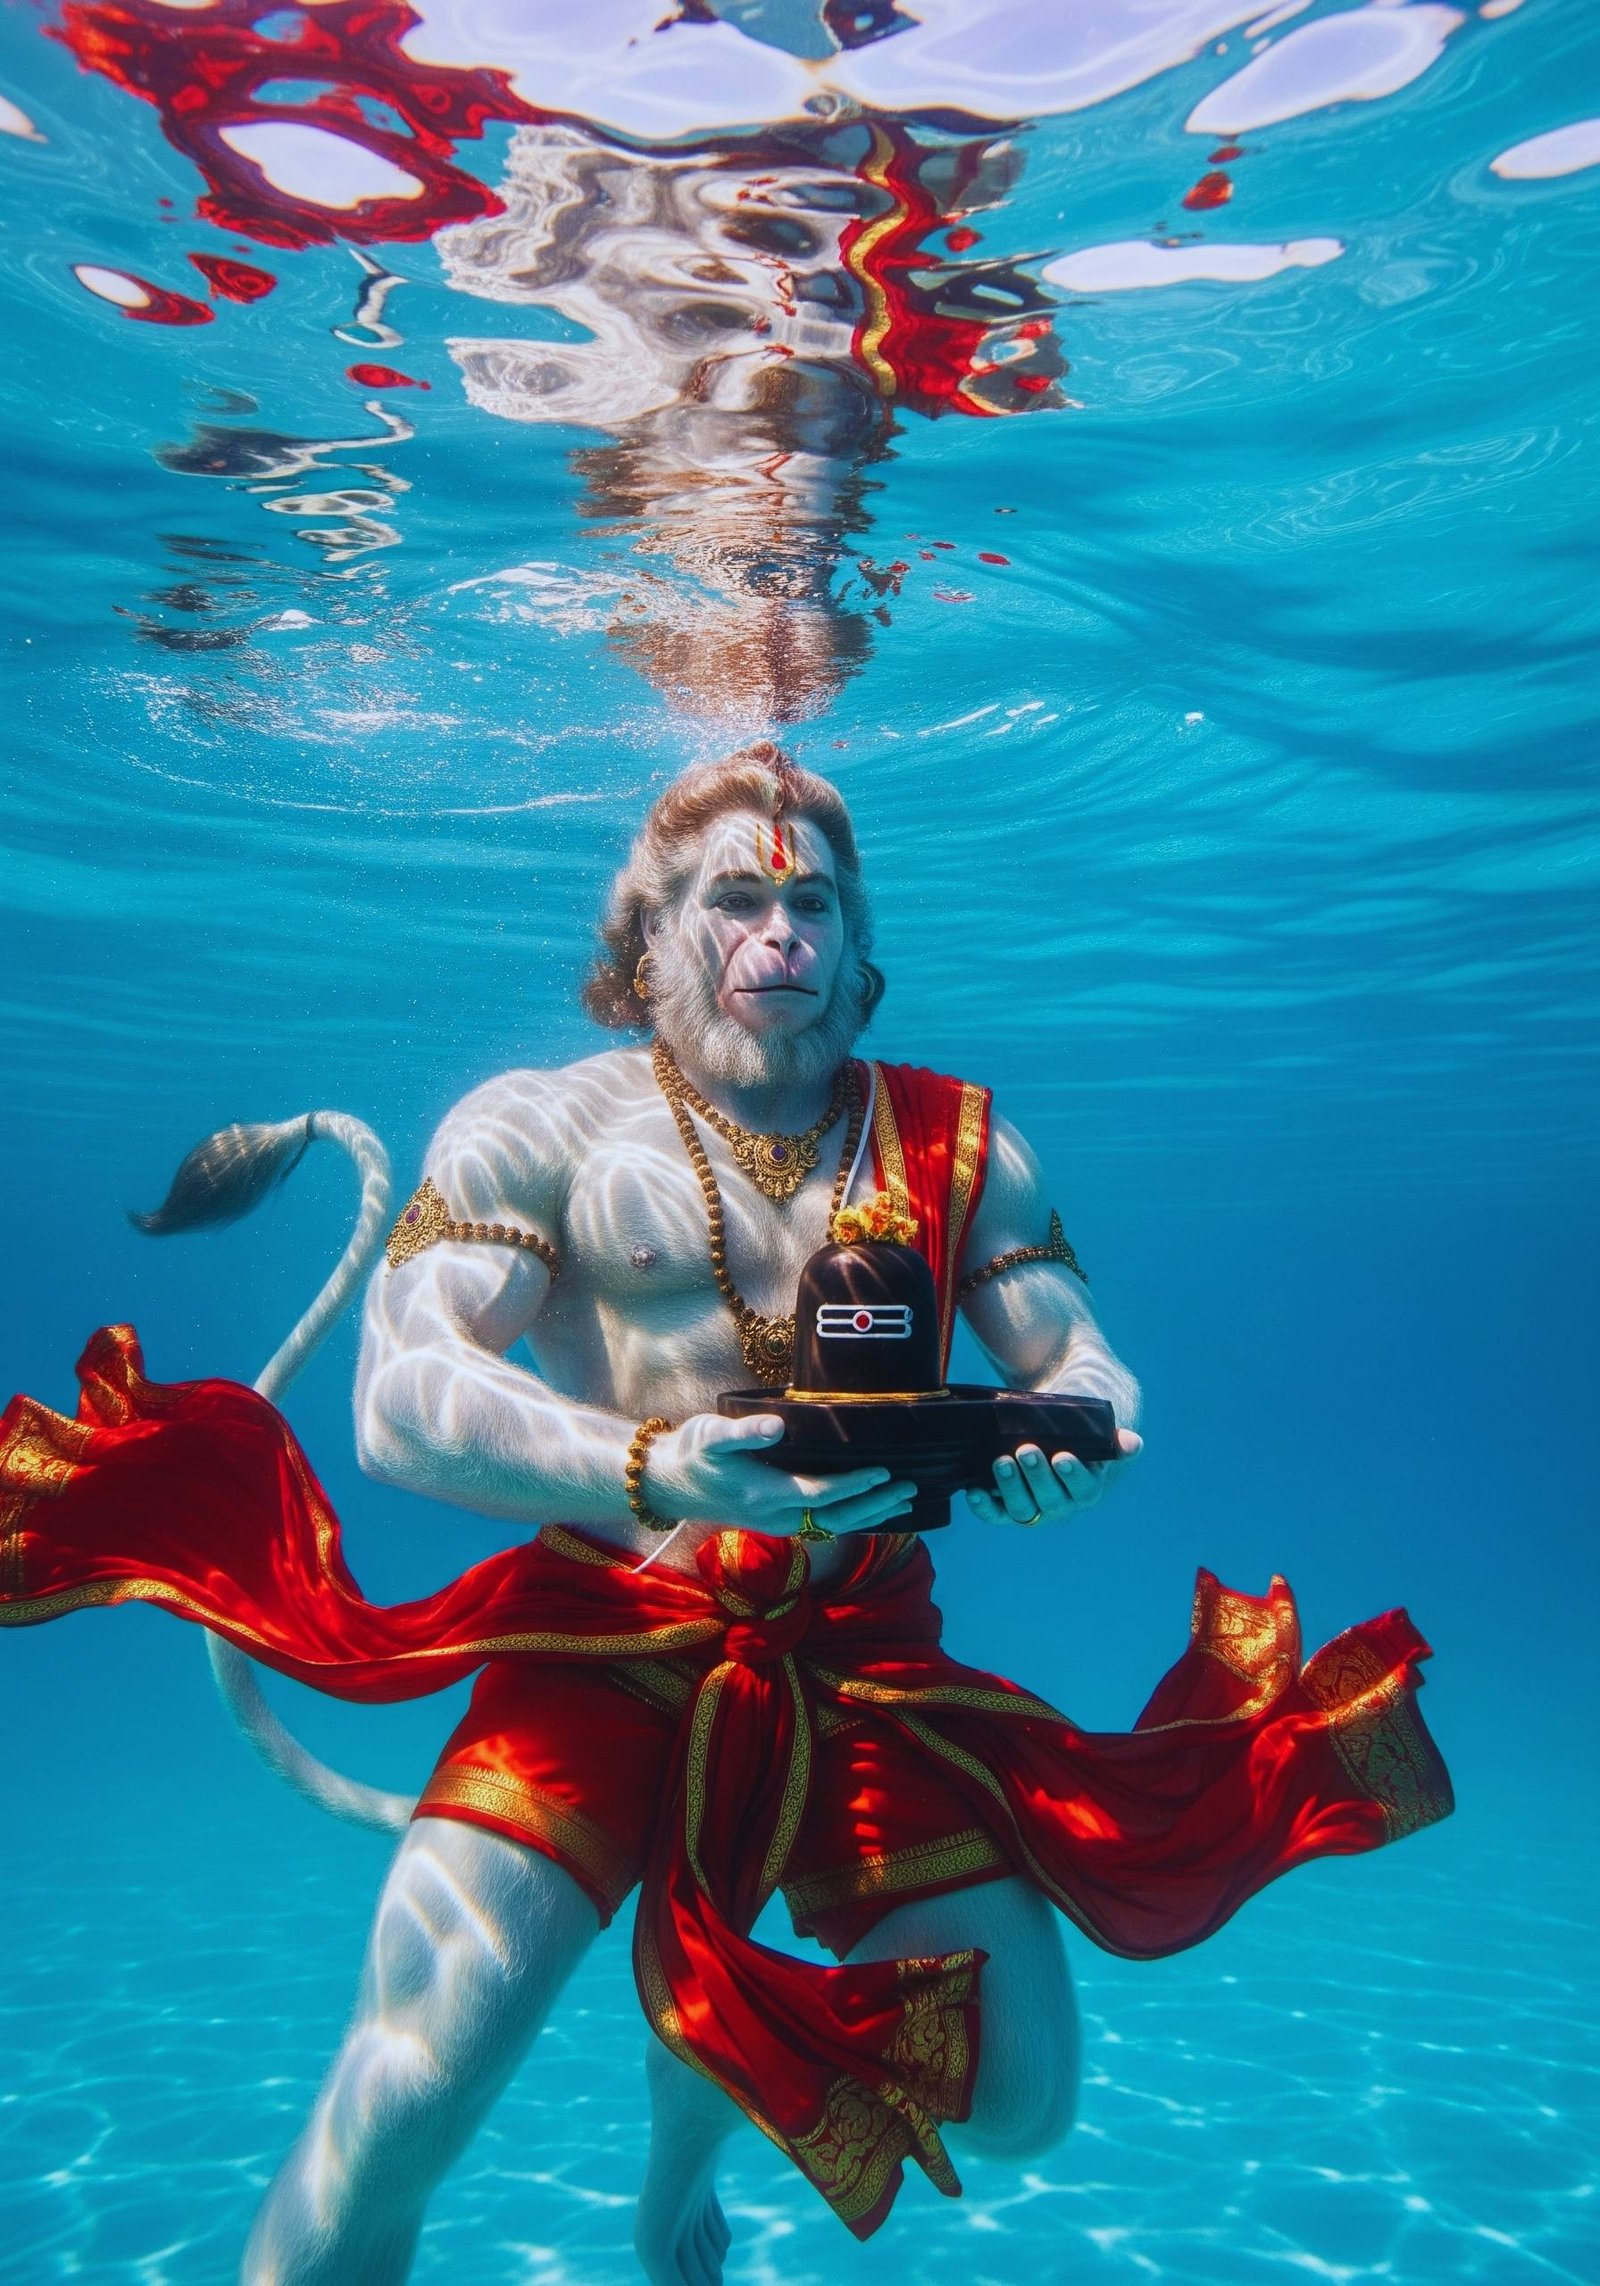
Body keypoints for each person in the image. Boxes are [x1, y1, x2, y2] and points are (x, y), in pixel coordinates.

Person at [0, 744, 1450, 2286]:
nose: (782, 935)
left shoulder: (960, 1138)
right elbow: (400, 1391)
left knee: (1025, 2100)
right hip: (602, 1641)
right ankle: (660, 2069)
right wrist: (657, 1471)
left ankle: (687, 2117)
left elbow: (1080, 1354)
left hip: (861, 1654)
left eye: (811, 900)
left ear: (857, 932)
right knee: (407, 2094)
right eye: (737, 899)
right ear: (647, 935)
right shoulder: (535, 1122)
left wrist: (1079, 1437)